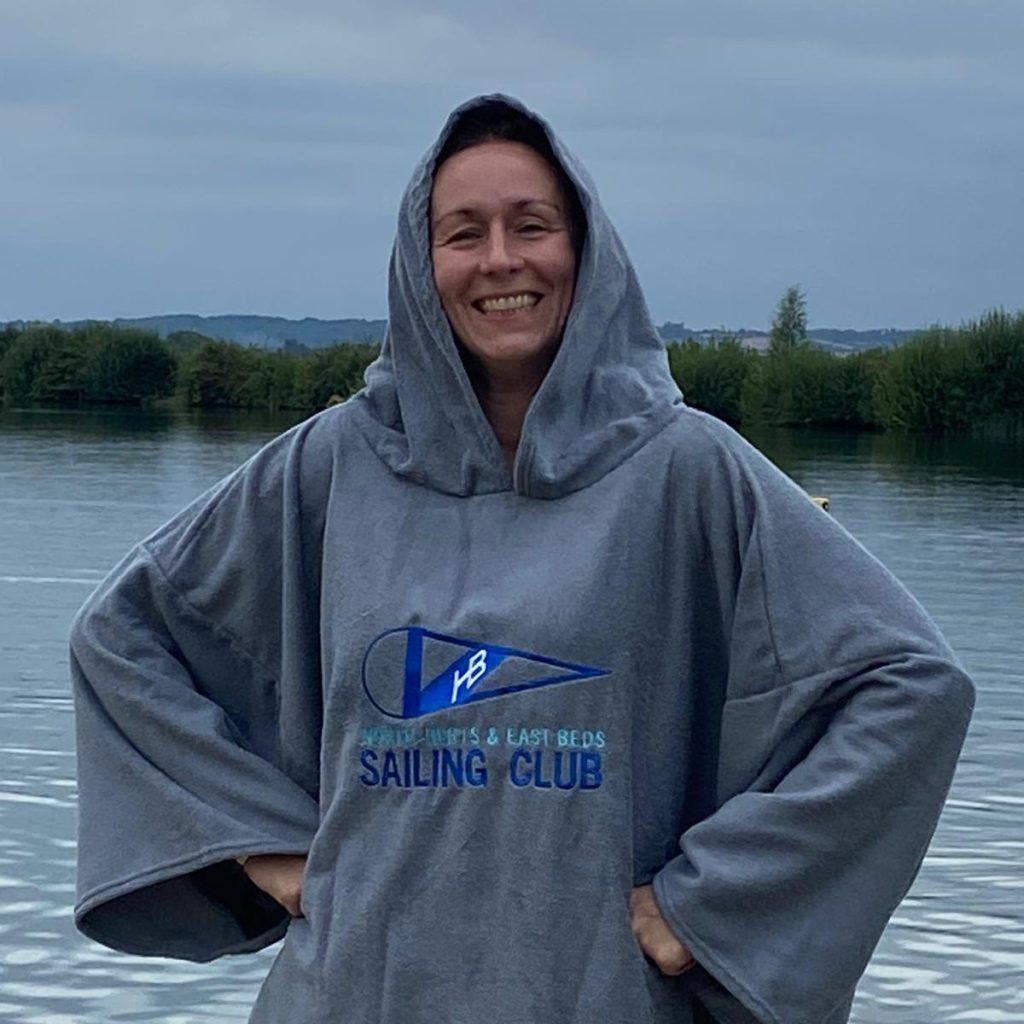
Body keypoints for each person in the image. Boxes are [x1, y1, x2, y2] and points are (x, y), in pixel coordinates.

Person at [70, 94, 974, 1024]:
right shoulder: (330, 467)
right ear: (421, 266)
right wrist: (259, 845)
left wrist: (709, 903)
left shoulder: (686, 470)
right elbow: (122, 639)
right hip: (352, 993)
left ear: (586, 249)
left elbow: (912, 688)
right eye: (463, 233)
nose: (500, 259)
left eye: (531, 225)